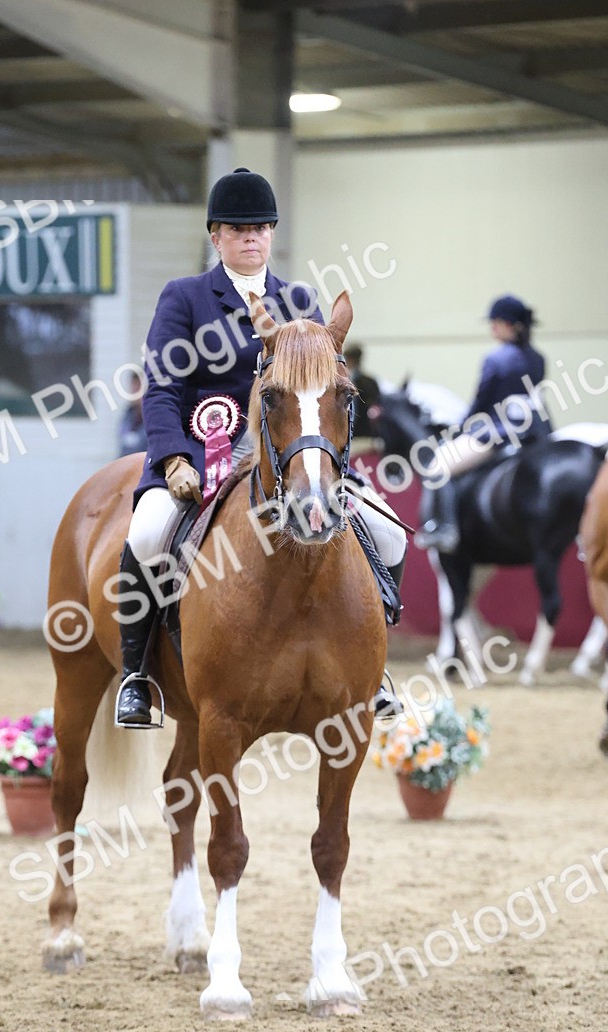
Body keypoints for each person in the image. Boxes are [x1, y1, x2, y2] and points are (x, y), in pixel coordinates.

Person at [114, 167, 407, 727]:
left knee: (388, 530)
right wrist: (173, 456)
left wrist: (328, 454)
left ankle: (372, 664)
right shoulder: (186, 298)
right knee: (149, 531)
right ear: (216, 236)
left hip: (294, 455)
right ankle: (137, 675)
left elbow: (322, 385)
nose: (251, 237)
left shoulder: (299, 298)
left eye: (261, 227)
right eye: (237, 228)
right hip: (201, 452)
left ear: (272, 234)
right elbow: (162, 386)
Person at [416, 294, 550, 553]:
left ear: (509, 324)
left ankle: (444, 528)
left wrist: (460, 428)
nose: (492, 328)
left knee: (437, 466)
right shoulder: (538, 358)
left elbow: (481, 404)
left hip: (498, 433)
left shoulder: (496, 359)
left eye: (495, 322)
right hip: (533, 433)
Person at [346, 344, 382, 440]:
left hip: (358, 435)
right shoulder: (370, 381)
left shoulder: (345, 383)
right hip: (367, 435)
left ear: (350, 359)